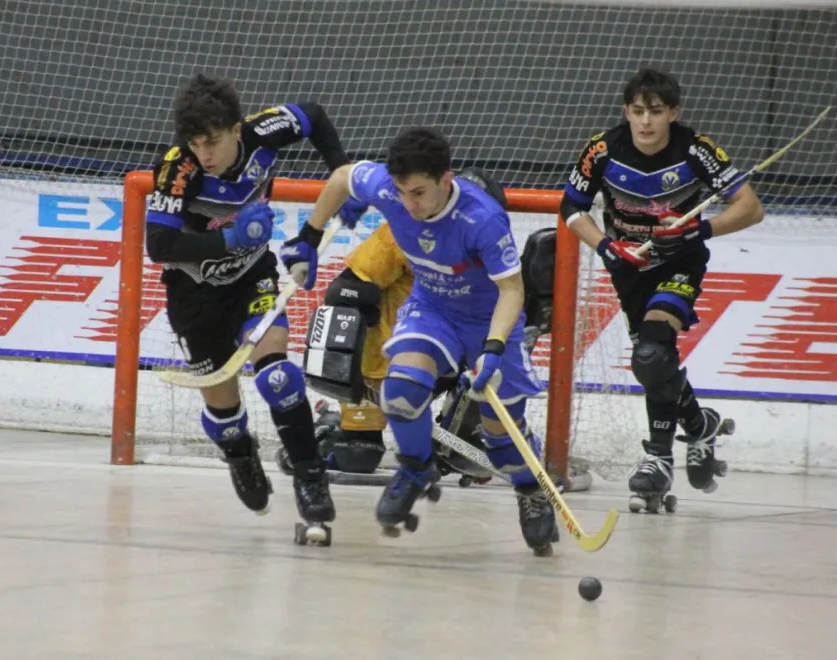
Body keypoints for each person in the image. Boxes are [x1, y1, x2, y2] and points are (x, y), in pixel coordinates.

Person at [281, 127, 558, 555]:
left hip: (488, 320)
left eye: (418, 193)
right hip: (432, 308)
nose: (408, 205)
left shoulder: (482, 219)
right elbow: (340, 178)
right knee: (400, 393)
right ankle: (415, 469)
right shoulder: (390, 191)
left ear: (447, 178)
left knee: (503, 443)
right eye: (400, 193)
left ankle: (530, 490)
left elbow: (512, 292)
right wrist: (309, 238)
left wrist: (493, 349)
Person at [144, 73, 367, 542]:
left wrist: (341, 176)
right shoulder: (177, 167)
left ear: (236, 129)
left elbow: (314, 114)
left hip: (252, 276)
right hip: (195, 293)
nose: (204, 153)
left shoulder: (264, 130)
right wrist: (227, 237)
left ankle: (309, 476)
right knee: (224, 412)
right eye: (195, 142)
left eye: (213, 142)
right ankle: (240, 455)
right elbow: (159, 243)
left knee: (277, 376)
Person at [560, 68, 762, 513]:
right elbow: (571, 207)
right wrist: (608, 247)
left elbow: (751, 208)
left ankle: (657, 457)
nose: (646, 122)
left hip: (679, 263)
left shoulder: (696, 150)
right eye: (637, 111)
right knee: (653, 363)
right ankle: (699, 422)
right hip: (627, 268)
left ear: (674, 112)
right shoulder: (602, 150)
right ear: (625, 112)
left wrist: (697, 230)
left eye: (656, 112)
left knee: (652, 352)